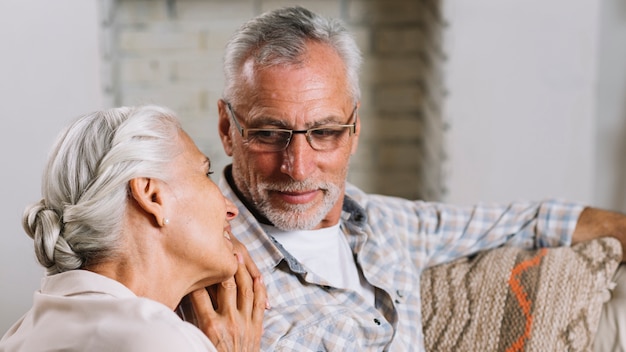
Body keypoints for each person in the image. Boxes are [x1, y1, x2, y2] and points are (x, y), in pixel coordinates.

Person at [208, 5, 626, 351]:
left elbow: (531, 220)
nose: (298, 167)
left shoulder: (386, 225)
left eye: (324, 132)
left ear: (355, 130)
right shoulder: (205, 276)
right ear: (228, 129)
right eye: (268, 134)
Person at [0, 105, 267, 351]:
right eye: (205, 173)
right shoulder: (157, 339)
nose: (231, 209)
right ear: (152, 196)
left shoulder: (19, 335)